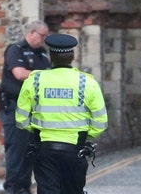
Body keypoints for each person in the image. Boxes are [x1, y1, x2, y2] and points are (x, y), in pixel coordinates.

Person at [15, 33, 108, 194]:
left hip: (44, 149)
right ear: (72, 57)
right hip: (75, 150)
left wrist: (37, 131)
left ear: (51, 56)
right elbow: (101, 122)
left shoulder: (34, 80)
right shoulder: (87, 82)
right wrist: (85, 136)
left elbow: (21, 120)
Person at [0, 20, 51, 194]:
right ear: (31, 32)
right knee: (16, 151)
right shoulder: (16, 50)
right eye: (41, 36)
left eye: (45, 37)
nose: (43, 40)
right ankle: (12, 188)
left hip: (34, 110)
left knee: (31, 151)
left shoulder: (42, 54)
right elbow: (19, 74)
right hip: (14, 107)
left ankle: (24, 188)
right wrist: (42, 75)